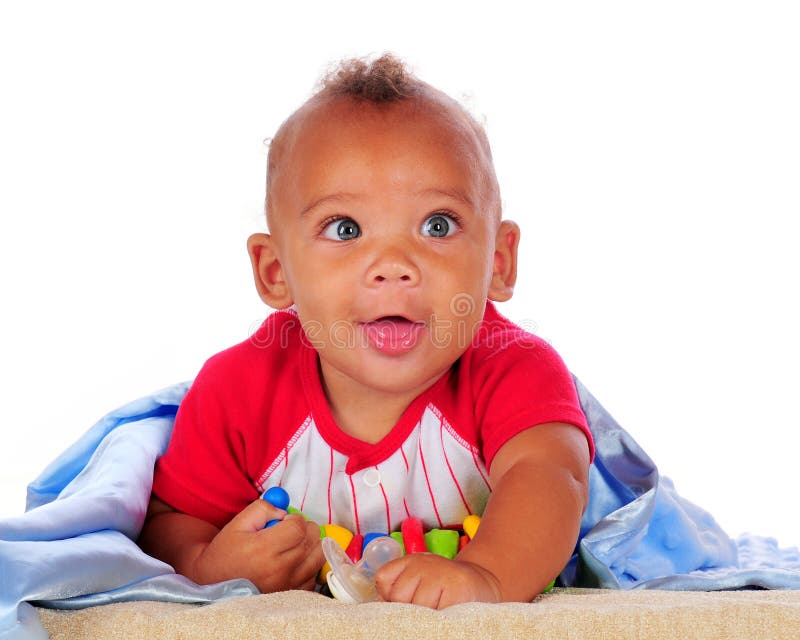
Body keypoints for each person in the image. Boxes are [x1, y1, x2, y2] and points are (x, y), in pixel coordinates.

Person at [138, 53, 594, 608]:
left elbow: (552, 480)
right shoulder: (240, 390)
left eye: (438, 225)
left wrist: (487, 577)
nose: (393, 263)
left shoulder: (513, 369)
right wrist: (207, 562)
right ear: (275, 272)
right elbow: (170, 519)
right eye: (345, 228)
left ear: (498, 262)